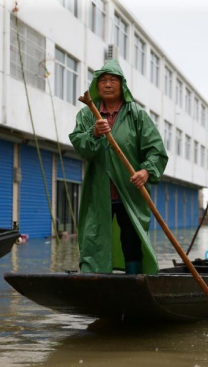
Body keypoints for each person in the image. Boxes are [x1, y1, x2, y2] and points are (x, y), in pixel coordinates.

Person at [69, 59, 168, 275]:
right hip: (99, 191)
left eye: (112, 80)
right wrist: (93, 134)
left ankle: (135, 283)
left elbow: (156, 150)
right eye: (102, 80)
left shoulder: (136, 114)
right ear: (96, 85)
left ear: (122, 84)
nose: (107, 84)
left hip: (130, 191)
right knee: (94, 237)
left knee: (132, 240)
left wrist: (146, 171)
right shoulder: (87, 115)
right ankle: (94, 283)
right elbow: (82, 148)